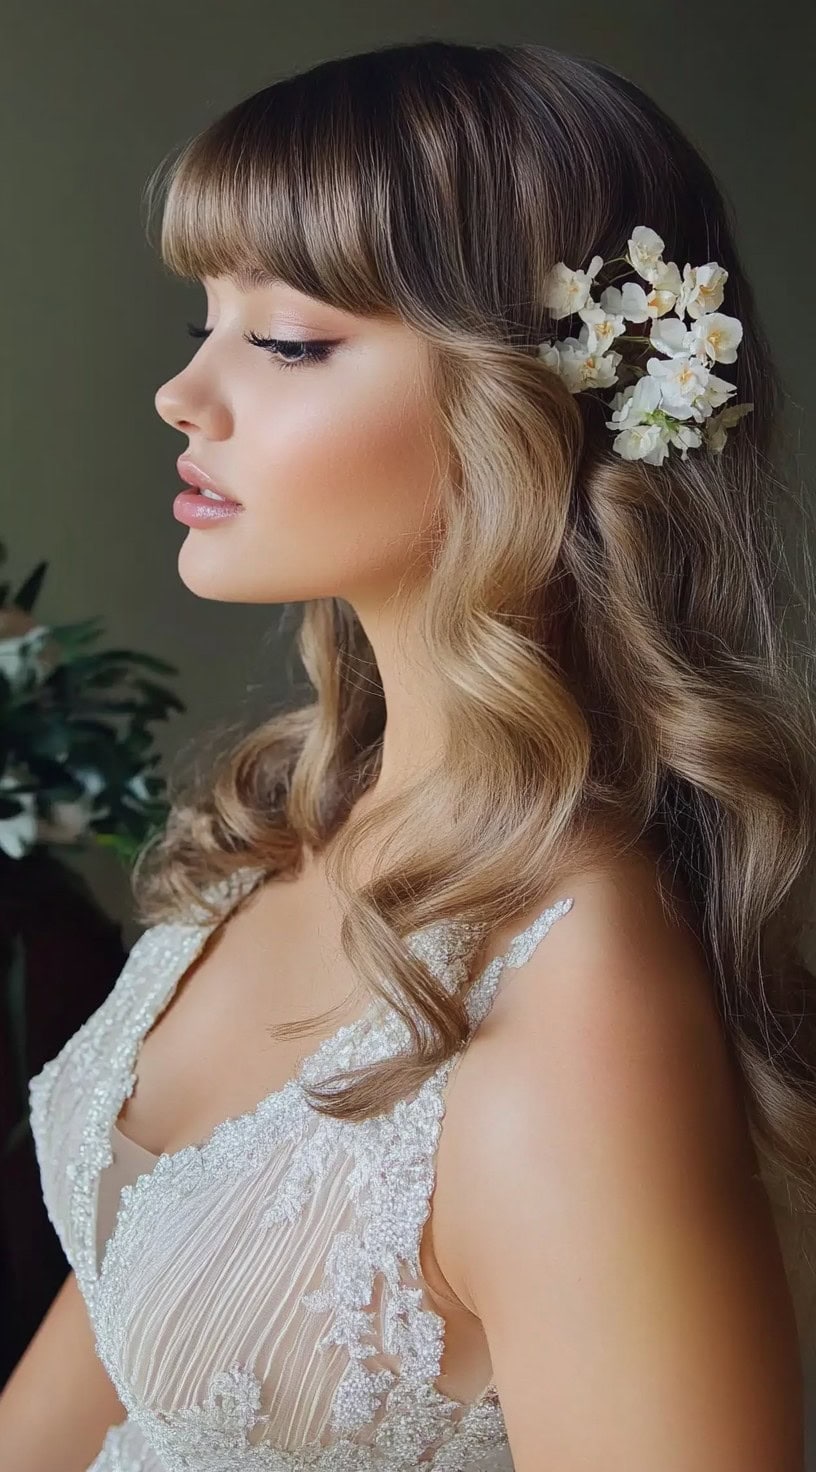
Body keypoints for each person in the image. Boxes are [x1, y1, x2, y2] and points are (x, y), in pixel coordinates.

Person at [1, 37, 811, 1472]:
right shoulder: (279, 826)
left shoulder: (585, 1007)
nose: (184, 395)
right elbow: (118, 1355)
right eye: (204, 321)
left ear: (530, 404)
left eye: (289, 338)